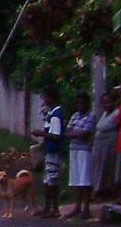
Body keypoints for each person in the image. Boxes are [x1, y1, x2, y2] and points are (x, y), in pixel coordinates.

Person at [34, 87, 66, 217]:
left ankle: (54, 209)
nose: (44, 100)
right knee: (48, 180)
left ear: (51, 98)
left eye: (46, 97)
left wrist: (41, 133)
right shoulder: (52, 113)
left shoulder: (55, 115)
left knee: (52, 180)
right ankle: (48, 207)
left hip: (54, 151)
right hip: (50, 149)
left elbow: (57, 135)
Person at [65, 94, 96, 219]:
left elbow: (85, 133)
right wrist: (76, 134)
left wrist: (75, 133)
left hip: (85, 150)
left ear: (87, 104)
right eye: (79, 103)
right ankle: (77, 207)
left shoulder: (91, 116)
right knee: (76, 179)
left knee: (85, 179)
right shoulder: (75, 116)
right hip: (74, 149)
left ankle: (86, 208)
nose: (81, 105)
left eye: (83, 103)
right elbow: (67, 132)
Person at [91, 90, 121, 199]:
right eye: (104, 103)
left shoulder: (117, 113)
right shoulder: (105, 114)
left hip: (109, 146)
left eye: (108, 102)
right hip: (100, 147)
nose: (106, 105)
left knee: (108, 169)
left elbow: (106, 126)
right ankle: (99, 190)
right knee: (99, 169)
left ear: (114, 102)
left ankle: (107, 192)